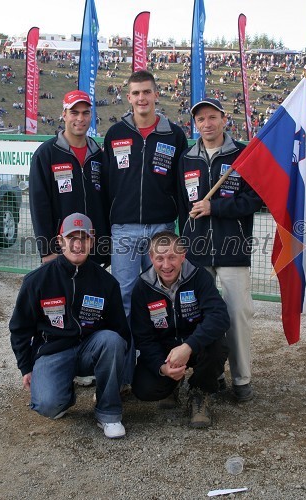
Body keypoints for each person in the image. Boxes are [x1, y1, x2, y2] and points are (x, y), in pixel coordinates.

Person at [9, 213, 130, 439]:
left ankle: (108, 412)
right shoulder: (37, 280)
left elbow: (121, 331)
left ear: (92, 241)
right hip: (53, 351)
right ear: (60, 241)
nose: (77, 244)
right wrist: (26, 366)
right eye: (71, 238)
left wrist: (115, 366)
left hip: (89, 350)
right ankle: (65, 393)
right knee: (48, 405)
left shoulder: (106, 282)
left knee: (112, 340)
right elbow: (19, 327)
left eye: (84, 238)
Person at [103, 70, 188, 384]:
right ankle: (123, 377)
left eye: (146, 92)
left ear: (156, 95)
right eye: (136, 93)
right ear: (129, 97)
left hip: (161, 229)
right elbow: (108, 184)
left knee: (161, 299)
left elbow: (181, 185)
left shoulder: (173, 135)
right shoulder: (115, 134)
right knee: (125, 300)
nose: (141, 98)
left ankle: (161, 372)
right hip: (124, 230)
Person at [177, 97, 263, 402]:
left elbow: (254, 200)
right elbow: (180, 206)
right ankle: (209, 374)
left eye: (212, 117)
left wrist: (216, 207)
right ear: (195, 124)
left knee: (238, 312)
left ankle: (242, 379)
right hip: (197, 251)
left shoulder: (243, 155)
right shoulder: (187, 157)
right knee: (199, 315)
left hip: (232, 249)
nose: (207, 124)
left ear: (224, 119)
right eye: (201, 119)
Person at [130, 231, 230, 428]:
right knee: (143, 389)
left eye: (172, 257)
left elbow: (219, 317)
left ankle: (199, 392)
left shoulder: (199, 276)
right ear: (151, 258)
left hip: (195, 346)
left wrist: (189, 346)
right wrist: (162, 366)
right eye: (159, 258)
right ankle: (172, 384)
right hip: (166, 351)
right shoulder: (142, 287)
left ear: (183, 255)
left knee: (218, 344)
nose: (166, 265)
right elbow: (143, 337)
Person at [29, 89, 109, 267]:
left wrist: (105, 245)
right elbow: (39, 205)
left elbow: (105, 202)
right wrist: (47, 250)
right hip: (61, 251)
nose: (80, 118)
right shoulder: (46, 154)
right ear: (64, 115)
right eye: (74, 112)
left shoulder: (99, 155)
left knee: (92, 294)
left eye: (85, 113)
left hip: (93, 249)